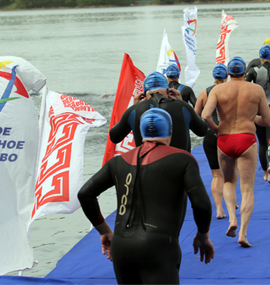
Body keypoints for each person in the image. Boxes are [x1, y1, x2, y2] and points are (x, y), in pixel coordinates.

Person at [78, 108, 214, 284]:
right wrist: (203, 235)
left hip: (121, 245)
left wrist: (104, 230)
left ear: (141, 133)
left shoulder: (118, 161)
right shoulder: (183, 159)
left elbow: (85, 194)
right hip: (159, 246)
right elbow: (201, 204)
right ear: (170, 131)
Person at [201, 56, 270, 248]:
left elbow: (205, 115)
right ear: (245, 72)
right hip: (246, 139)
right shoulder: (256, 90)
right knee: (247, 188)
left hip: (224, 140)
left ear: (229, 72)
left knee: (228, 181)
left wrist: (216, 129)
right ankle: (243, 233)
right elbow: (268, 121)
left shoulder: (217, 89)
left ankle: (231, 218)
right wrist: (252, 117)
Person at [110, 71, 207, 152]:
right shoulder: (183, 107)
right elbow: (203, 130)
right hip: (181, 168)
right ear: (168, 91)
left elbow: (114, 136)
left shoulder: (134, 110)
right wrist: (182, 102)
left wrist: (133, 108)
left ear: (144, 94)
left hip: (147, 169)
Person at [245, 44, 270, 184]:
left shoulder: (253, 71)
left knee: (262, 142)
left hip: (259, 107)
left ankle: (265, 173)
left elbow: (245, 86)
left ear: (260, 56)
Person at [195, 63, 229, 219]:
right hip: (227, 135)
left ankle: (219, 210)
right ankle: (231, 202)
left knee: (216, 175)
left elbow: (196, 115)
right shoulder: (231, 91)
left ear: (214, 77)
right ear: (227, 76)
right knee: (229, 174)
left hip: (210, 136)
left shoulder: (204, 93)